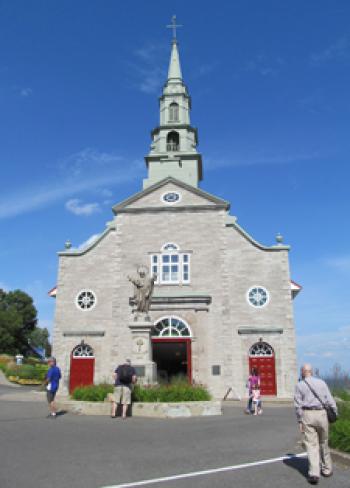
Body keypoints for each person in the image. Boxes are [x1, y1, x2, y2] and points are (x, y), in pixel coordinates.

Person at [294, 363, 337, 485]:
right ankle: (327, 469)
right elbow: (330, 399)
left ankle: (314, 473)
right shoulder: (322, 383)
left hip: (308, 414)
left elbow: (298, 405)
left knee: (311, 444)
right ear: (311, 371)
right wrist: (335, 412)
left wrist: (299, 420)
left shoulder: (299, 385)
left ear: (303, 372)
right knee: (324, 441)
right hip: (322, 414)